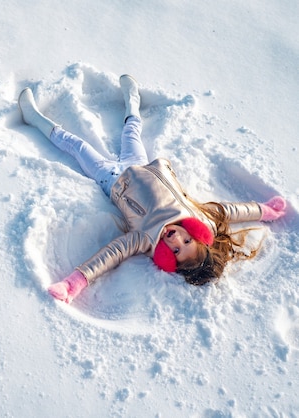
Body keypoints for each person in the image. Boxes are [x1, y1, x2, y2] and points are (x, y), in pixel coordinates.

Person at [18, 75, 287, 303]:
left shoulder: (146, 238)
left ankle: (34, 118)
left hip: (112, 179)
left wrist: (73, 283)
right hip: (142, 165)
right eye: (186, 241)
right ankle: (132, 100)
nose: (175, 240)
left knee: (76, 146)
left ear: (168, 259)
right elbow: (230, 211)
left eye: (177, 251)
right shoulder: (201, 217)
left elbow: (112, 253)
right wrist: (265, 210)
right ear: (197, 234)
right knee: (132, 131)